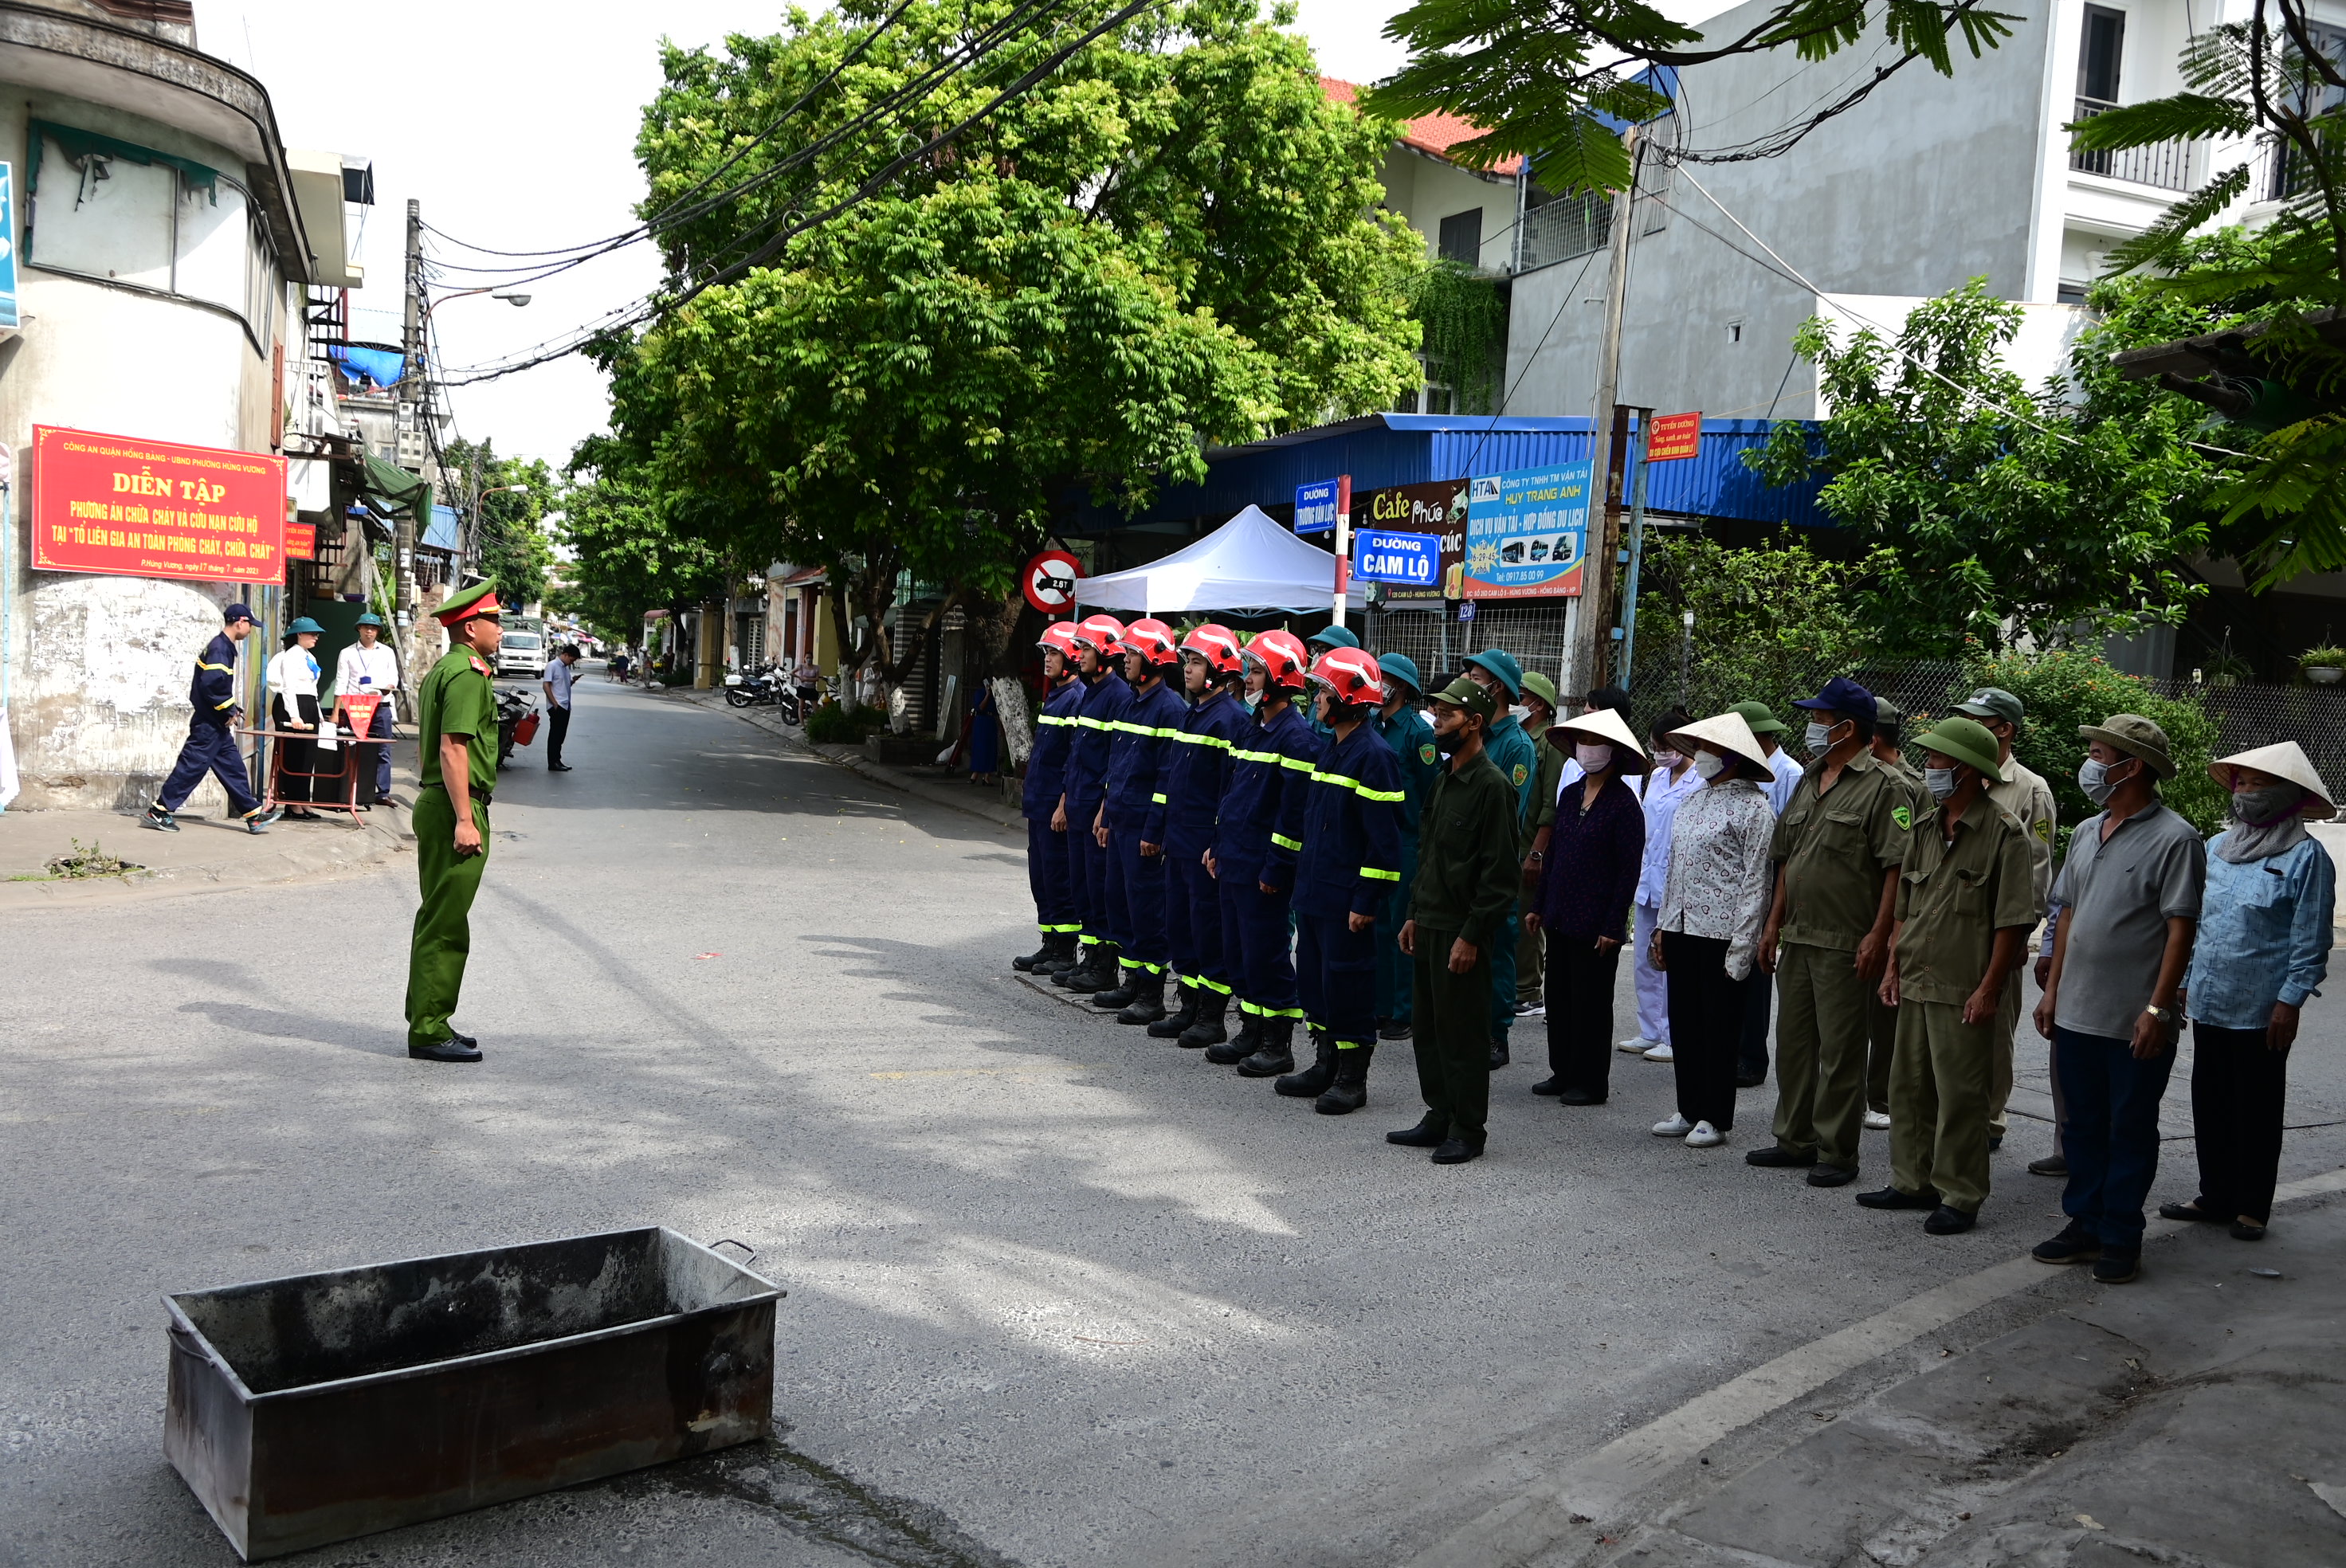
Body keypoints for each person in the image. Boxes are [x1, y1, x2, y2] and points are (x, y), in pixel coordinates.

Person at [2030, 714, 2204, 1284]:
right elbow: (2070, 913)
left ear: (2133, 767)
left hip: (2135, 1019)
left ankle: (2121, 1235)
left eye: (2101, 754)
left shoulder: (2176, 839)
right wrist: (2053, 993)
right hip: (2078, 1011)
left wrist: (2158, 1009)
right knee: (2081, 1126)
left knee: (2128, 1128)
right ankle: (2085, 1222)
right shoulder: (2087, 831)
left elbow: (2181, 930)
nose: (2092, 763)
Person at [1858, 717, 2035, 1233]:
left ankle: (1960, 1193)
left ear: (1962, 770)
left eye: (1936, 760)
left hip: (1964, 987)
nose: (1929, 767)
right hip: (1916, 977)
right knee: (1908, 1085)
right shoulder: (1924, 828)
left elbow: (2012, 922)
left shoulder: (2005, 835)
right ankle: (1912, 1181)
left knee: (1960, 1093)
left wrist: (1989, 988)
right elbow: (1904, 909)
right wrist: (1892, 965)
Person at [2167, 743, 2336, 1241]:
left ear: (2287, 796)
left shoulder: (2308, 857)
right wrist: (2181, 980)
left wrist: (2291, 1000)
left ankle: (2252, 1205)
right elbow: (2196, 923)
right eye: (2241, 782)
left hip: (2263, 1007)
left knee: (2257, 1105)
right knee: (2210, 1098)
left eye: (2258, 785)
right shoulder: (2217, 848)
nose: (2246, 793)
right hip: (2210, 998)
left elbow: (2311, 938)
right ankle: (2214, 1194)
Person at [1750, 676, 1908, 1188]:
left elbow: (1895, 871)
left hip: (1846, 939)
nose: (1812, 727)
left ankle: (1837, 1152)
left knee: (1841, 1050)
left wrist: (1878, 937)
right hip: (1797, 933)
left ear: (1848, 728)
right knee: (1794, 1044)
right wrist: (1772, 923)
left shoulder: (1886, 787)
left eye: (1821, 720)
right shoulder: (1809, 777)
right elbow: (1788, 859)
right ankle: (1793, 1139)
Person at [1389, 677, 1521, 1164]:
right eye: (1437, 714)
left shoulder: (1492, 786)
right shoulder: (1444, 778)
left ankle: (1468, 1128)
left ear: (1475, 723)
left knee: (1462, 1032)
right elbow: (1428, 857)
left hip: (1464, 930)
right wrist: (1413, 914)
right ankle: (1438, 1114)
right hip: (1430, 922)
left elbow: (1500, 875)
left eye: (1447, 716)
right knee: (1428, 1027)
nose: (1438, 723)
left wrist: (1471, 935)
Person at [1277, 646, 1406, 1113]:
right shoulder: (1332, 748)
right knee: (1316, 982)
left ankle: (1353, 1078)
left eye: (1324, 694)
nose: (1316, 702)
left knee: (1348, 984)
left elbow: (1383, 843)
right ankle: (1325, 1063)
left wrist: (1366, 899)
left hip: (1347, 898)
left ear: (1349, 699)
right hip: (1315, 892)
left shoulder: (1374, 756)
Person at [1649, 711, 1779, 1149]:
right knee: (1685, 1022)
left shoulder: (1755, 808)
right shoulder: (1694, 802)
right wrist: (1664, 927)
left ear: (1733, 759)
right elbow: (1675, 870)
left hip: (1723, 933)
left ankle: (1715, 1115)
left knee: (1719, 1026)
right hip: (1684, 927)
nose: (1701, 757)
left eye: (1710, 750)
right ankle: (1688, 1108)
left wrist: (1744, 945)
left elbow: (1756, 882)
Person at [1951, 687, 2060, 1163]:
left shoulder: (2029, 789)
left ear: (2005, 729)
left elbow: (2037, 871)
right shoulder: (1957, 776)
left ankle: (1989, 1118)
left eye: (1981, 721)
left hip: (1999, 930)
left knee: (1993, 1029)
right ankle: (1948, 1112)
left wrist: (2020, 936)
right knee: (1946, 1023)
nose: (1971, 727)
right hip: (1950, 926)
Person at [1205, 629, 1318, 1073]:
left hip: (1263, 870)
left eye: (1255, 671)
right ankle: (1251, 1030)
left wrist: (1276, 868)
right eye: (1249, 670)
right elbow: (1232, 796)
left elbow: (1292, 820)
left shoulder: (1297, 739)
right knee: (1239, 953)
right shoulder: (1254, 729)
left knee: (1267, 955)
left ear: (1278, 679)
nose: (1247, 679)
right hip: (1235, 859)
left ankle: (1278, 1043)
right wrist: (1217, 845)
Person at [406, 581, 505, 1064]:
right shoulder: (467, 673)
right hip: (454, 806)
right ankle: (427, 1029)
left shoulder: (444, 669)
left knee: (441, 917)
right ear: (471, 627)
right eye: (496, 621)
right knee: (444, 922)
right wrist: (466, 819)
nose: (502, 632)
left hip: (440, 801)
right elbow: (452, 748)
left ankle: (432, 1019)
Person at [1524, 706, 1646, 1104]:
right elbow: (1555, 853)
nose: (1586, 749)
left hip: (1596, 920)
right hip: (1560, 913)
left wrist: (1614, 925)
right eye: (1582, 741)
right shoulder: (1572, 793)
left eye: (1595, 742)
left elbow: (1627, 871)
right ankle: (1562, 1071)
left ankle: (1590, 1081)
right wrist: (1539, 905)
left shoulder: (1624, 804)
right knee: (1559, 997)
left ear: (1613, 751)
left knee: (1591, 1002)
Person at [1148, 624, 1252, 1047]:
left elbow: (1231, 791)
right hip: (1179, 843)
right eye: (1186, 661)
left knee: (1209, 932)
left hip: (1205, 847)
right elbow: (1172, 781)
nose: (1186, 669)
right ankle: (1188, 1005)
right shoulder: (1193, 714)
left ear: (1218, 669)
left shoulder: (1231, 721)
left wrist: (1217, 842)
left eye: (1194, 662)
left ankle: (1212, 1016)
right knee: (1181, 928)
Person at [1092, 618, 1187, 1024]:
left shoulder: (1169, 709)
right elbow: (1118, 764)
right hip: (1121, 820)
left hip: (1145, 828)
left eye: (1131, 654)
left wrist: (1154, 831)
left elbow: (1166, 777)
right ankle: (1132, 980)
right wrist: (1105, 810)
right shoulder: (1131, 702)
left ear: (1152, 660)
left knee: (1147, 909)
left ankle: (1151, 994)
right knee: (1121, 902)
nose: (1124, 660)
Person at [1461, 649, 1536, 1068]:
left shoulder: (1516, 745)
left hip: (1494, 862)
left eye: (1477, 677)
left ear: (1497, 689)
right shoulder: (1477, 735)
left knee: (1497, 951)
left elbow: (1511, 809)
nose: (1470, 684)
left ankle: (1496, 1033)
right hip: (1464, 861)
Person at [145, 603, 279, 834]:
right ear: (240, 622)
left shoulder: (222, 647)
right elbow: (212, 683)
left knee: (234, 768)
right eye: (250, 625)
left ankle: (253, 814)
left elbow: (213, 685)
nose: (250, 631)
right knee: (191, 768)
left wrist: (230, 708)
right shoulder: (220, 648)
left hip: (215, 724)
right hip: (209, 724)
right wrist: (228, 710)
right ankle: (160, 811)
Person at [1053, 615, 1132, 994]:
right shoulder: (1089, 692)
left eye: (1085, 648)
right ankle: (1091, 956)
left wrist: (1104, 807)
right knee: (1083, 887)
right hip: (1079, 805)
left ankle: (1105, 966)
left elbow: (1116, 761)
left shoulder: (1118, 696)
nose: (1078, 655)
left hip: (1097, 811)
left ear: (1105, 653)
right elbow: (1078, 753)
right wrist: (1065, 801)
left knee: (1102, 891)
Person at [1727, 700, 1801, 1088]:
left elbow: (1787, 839)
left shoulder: (1789, 774)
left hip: (1770, 875)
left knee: (1757, 968)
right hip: (1734, 878)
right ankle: (1731, 1048)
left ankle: (1751, 1056)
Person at [1859, 698, 1925, 1130]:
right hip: (1853, 914)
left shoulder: (1909, 786)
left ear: (1872, 737)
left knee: (1886, 1016)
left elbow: (1907, 864)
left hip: (1891, 916)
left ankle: (1880, 1097)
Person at [1619, 708, 1700, 1061]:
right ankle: (1650, 1030)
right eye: (1654, 747)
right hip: (1648, 876)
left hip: (1677, 880)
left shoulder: (1700, 779)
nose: (1659, 753)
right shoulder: (1656, 777)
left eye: (1664, 746)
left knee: (1671, 959)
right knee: (1643, 959)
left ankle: (1673, 1034)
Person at [1372, 653, 1440, 1043]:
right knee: (1378, 926)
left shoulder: (1418, 733)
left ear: (1399, 686)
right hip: (1378, 842)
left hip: (1408, 842)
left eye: (1382, 679)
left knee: (1402, 928)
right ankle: (1381, 1005)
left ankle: (1404, 1010)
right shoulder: (1373, 724)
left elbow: (1431, 792)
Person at [1013, 623, 1085, 974]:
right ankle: (1050, 942)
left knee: (1058, 877)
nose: (1048, 659)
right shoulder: (1055, 696)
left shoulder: (1076, 698)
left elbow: (1074, 758)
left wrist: (1062, 804)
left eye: (1054, 653)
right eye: (1046, 653)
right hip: (1038, 804)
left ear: (1071, 657)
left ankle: (1065, 950)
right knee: (1041, 877)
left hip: (1055, 808)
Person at [1512, 670, 1562, 1020]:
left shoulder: (1550, 744)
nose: (1517, 702)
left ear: (1539, 704)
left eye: (1522, 695)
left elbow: (1551, 803)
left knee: (1527, 917)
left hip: (1532, 844)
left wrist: (1537, 852)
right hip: (1512, 842)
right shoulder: (1518, 738)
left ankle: (1529, 990)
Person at [333, 612, 401, 808]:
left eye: (373, 628)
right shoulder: (348, 653)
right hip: (357, 706)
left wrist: (385, 687)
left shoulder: (386, 652)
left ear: (378, 631)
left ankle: (383, 792)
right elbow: (341, 683)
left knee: (383, 749)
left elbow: (393, 678)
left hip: (380, 705)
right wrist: (336, 712)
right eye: (366, 628)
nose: (369, 631)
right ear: (359, 629)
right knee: (355, 748)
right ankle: (355, 790)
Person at [264, 617, 327, 819]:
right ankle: (291, 802)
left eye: (317, 634)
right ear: (299, 634)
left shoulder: (311, 657)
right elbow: (288, 687)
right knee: (293, 755)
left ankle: (302, 799)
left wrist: (318, 713)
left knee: (308, 756)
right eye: (312, 634)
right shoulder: (290, 656)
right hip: (292, 705)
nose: (315, 638)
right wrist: (295, 716)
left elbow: (313, 689)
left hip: (309, 704)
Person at [542, 644, 580, 772]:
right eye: (571, 660)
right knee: (555, 735)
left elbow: (563, 685)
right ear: (565, 655)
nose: (571, 663)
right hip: (557, 705)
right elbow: (546, 685)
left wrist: (573, 681)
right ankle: (552, 762)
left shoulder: (565, 668)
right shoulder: (552, 665)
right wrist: (554, 703)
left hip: (566, 705)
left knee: (561, 735)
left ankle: (557, 760)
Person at [967, 680, 1001, 786]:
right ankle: (975, 774)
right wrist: (987, 695)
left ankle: (987, 776)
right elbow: (980, 707)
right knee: (979, 747)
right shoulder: (980, 693)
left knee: (991, 748)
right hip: (981, 721)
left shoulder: (997, 694)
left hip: (990, 721)